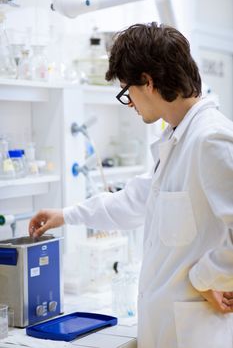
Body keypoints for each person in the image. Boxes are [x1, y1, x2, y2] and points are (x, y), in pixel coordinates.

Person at [29, 22, 233, 348]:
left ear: (147, 82)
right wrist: (66, 214)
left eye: (127, 92)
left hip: (195, 334)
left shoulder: (211, 139)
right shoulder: (177, 139)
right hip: (167, 329)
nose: (130, 103)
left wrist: (205, 277)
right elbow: (134, 201)